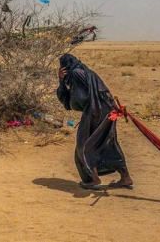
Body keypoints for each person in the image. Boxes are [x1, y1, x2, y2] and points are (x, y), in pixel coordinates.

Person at [56, 54, 133, 190]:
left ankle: (92, 178)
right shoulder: (85, 71)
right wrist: (115, 107)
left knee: (85, 144)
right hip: (105, 110)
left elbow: (80, 96)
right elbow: (104, 91)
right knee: (108, 142)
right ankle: (125, 177)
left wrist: (61, 80)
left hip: (95, 111)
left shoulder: (76, 73)